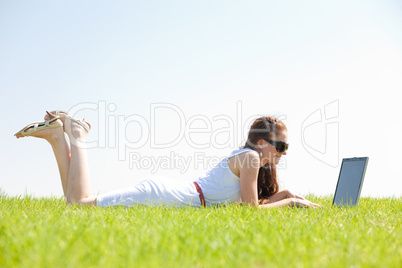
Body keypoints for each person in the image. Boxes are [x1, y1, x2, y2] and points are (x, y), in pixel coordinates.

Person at [14, 111, 320, 208]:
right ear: (263, 142)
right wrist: (291, 203)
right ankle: (76, 135)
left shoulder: (247, 158)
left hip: (172, 193)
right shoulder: (252, 158)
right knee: (79, 205)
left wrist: (287, 195)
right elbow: (251, 213)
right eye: (281, 146)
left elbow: (251, 203)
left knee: (73, 203)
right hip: (165, 195)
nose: (283, 153)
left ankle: (57, 138)